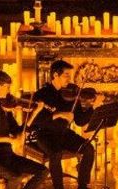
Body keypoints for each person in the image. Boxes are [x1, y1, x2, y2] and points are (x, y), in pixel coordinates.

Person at [0, 70, 49, 189]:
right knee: (16, 177)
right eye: (7, 87)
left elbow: (17, 131)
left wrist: (35, 113)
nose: (9, 91)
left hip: (8, 156)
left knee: (43, 171)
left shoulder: (5, 107)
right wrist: (9, 139)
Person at [29, 60, 98, 189]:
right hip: (44, 135)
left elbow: (80, 121)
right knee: (56, 154)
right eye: (66, 75)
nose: (69, 79)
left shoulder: (72, 94)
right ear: (55, 75)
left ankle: (82, 185)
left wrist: (91, 107)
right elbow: (34, 121)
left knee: (89, 149)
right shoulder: (41, 94)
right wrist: (58, 114)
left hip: (64, 133)